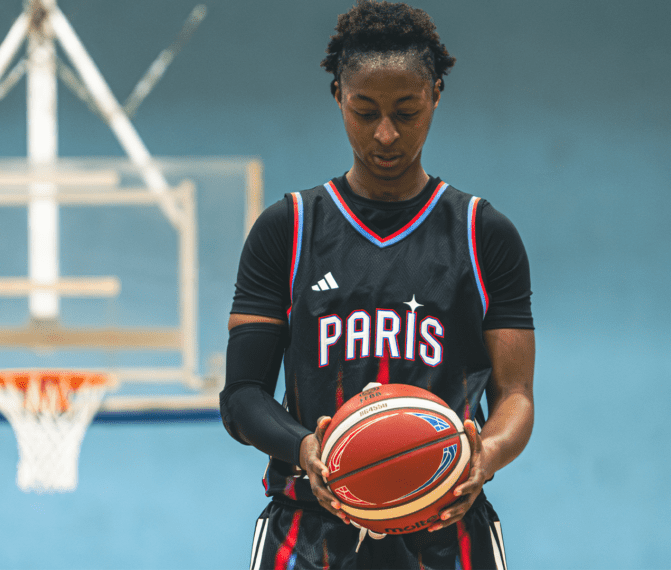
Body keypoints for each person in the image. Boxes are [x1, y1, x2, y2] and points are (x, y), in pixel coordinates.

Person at [219, 1, 535, 568]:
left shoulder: (482, 234)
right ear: (338, 95)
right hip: (310, 532)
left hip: (447, 527)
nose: (386, 134)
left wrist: (483, 454)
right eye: (364, 111)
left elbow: (515, 397)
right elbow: (242, 397)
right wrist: (306, 449)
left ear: (436, 94)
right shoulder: (288, 229)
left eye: (406, 111)